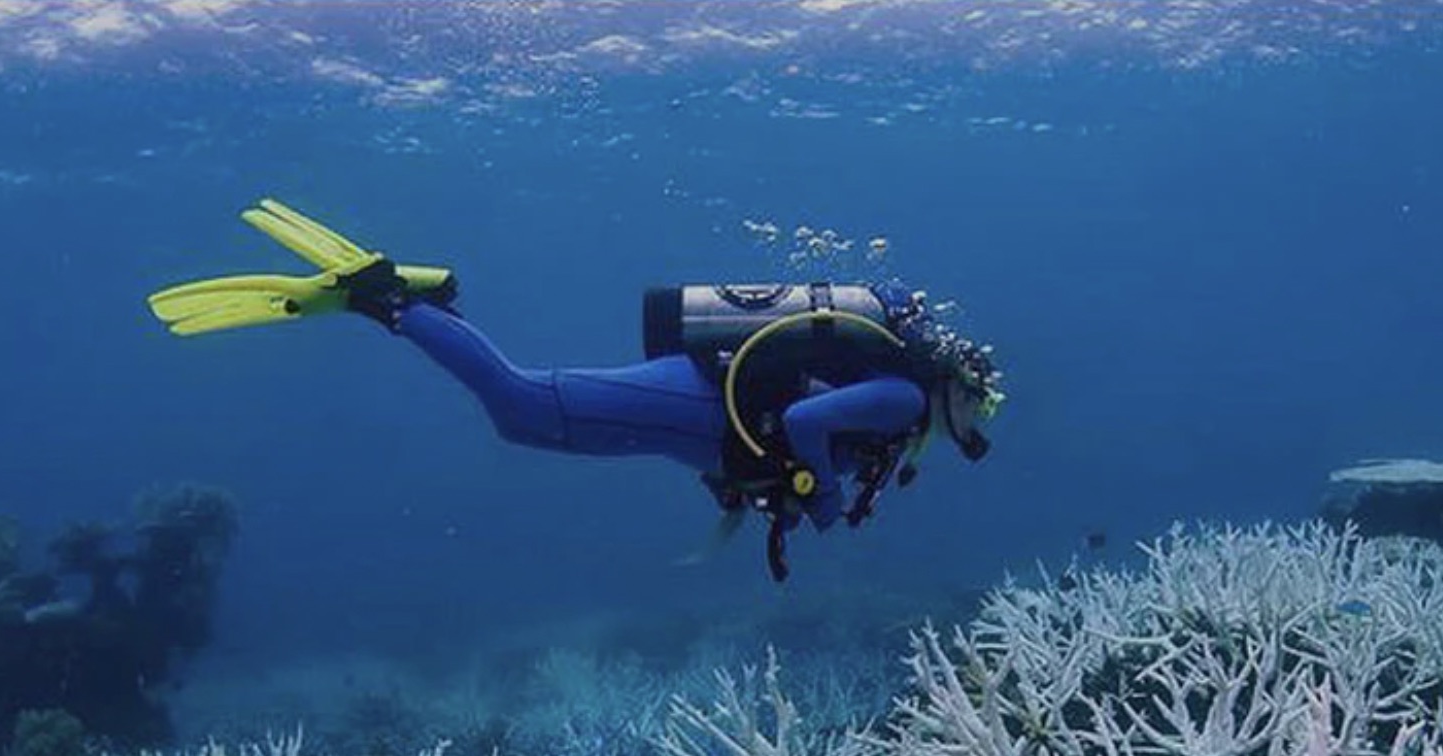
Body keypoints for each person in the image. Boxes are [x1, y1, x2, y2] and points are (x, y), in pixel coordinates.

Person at [149, 200, 1003, 580]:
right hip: (695, 404)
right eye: (982, 408)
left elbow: (796, 432)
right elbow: (811, 420)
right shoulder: (901, 401)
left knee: (529, 416)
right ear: (955, 383)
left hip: (698, 417)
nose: (976, 424)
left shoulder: (901, 408)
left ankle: (416, 306)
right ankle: (389, 298)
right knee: (525, 407)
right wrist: (818, 504)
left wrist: (794, 487)